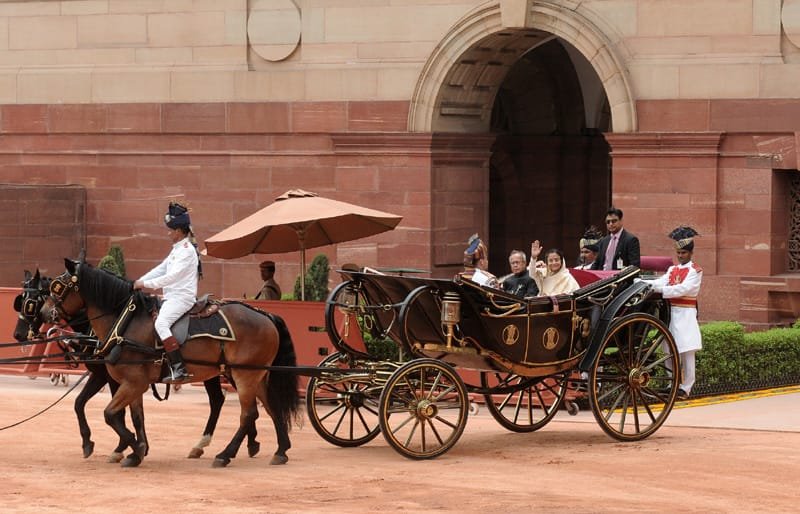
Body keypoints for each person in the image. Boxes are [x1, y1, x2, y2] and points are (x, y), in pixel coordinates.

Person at [133, 202, 200, 384]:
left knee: (161, 324)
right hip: (171, 297)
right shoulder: (177, 249)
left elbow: (171, 277)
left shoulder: (186, 252)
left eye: (170, 230)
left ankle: (179, 368)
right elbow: (161, 269)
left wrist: (145, 284)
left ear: (178, 231)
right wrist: (138, 282)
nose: (168, 233)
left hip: (181, 298)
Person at [641, 226, 702, 400]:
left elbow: (683, 289)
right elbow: (661, 281)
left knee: (687, 351)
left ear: (691, 253)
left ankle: (686, 388)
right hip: (670, 314)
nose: (681, 256)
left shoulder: (695, 271)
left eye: (684, 253)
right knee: (669, 349)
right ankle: (672, 383)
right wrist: (645, 283)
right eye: (678, 253)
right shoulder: (672, 269)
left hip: (686, 314)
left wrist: (660, 290)